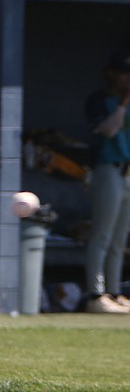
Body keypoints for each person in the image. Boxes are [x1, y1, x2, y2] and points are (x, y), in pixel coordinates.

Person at [82, 48, 130, 314]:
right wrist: (124, 103)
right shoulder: (99, 100)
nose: (127, 78)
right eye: (124, 73)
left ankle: (115, 292)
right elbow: (109, 129)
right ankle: (95, 294)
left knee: (120, 239)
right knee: (102, 233)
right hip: (106, 168)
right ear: (111, 73)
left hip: (128, 172)